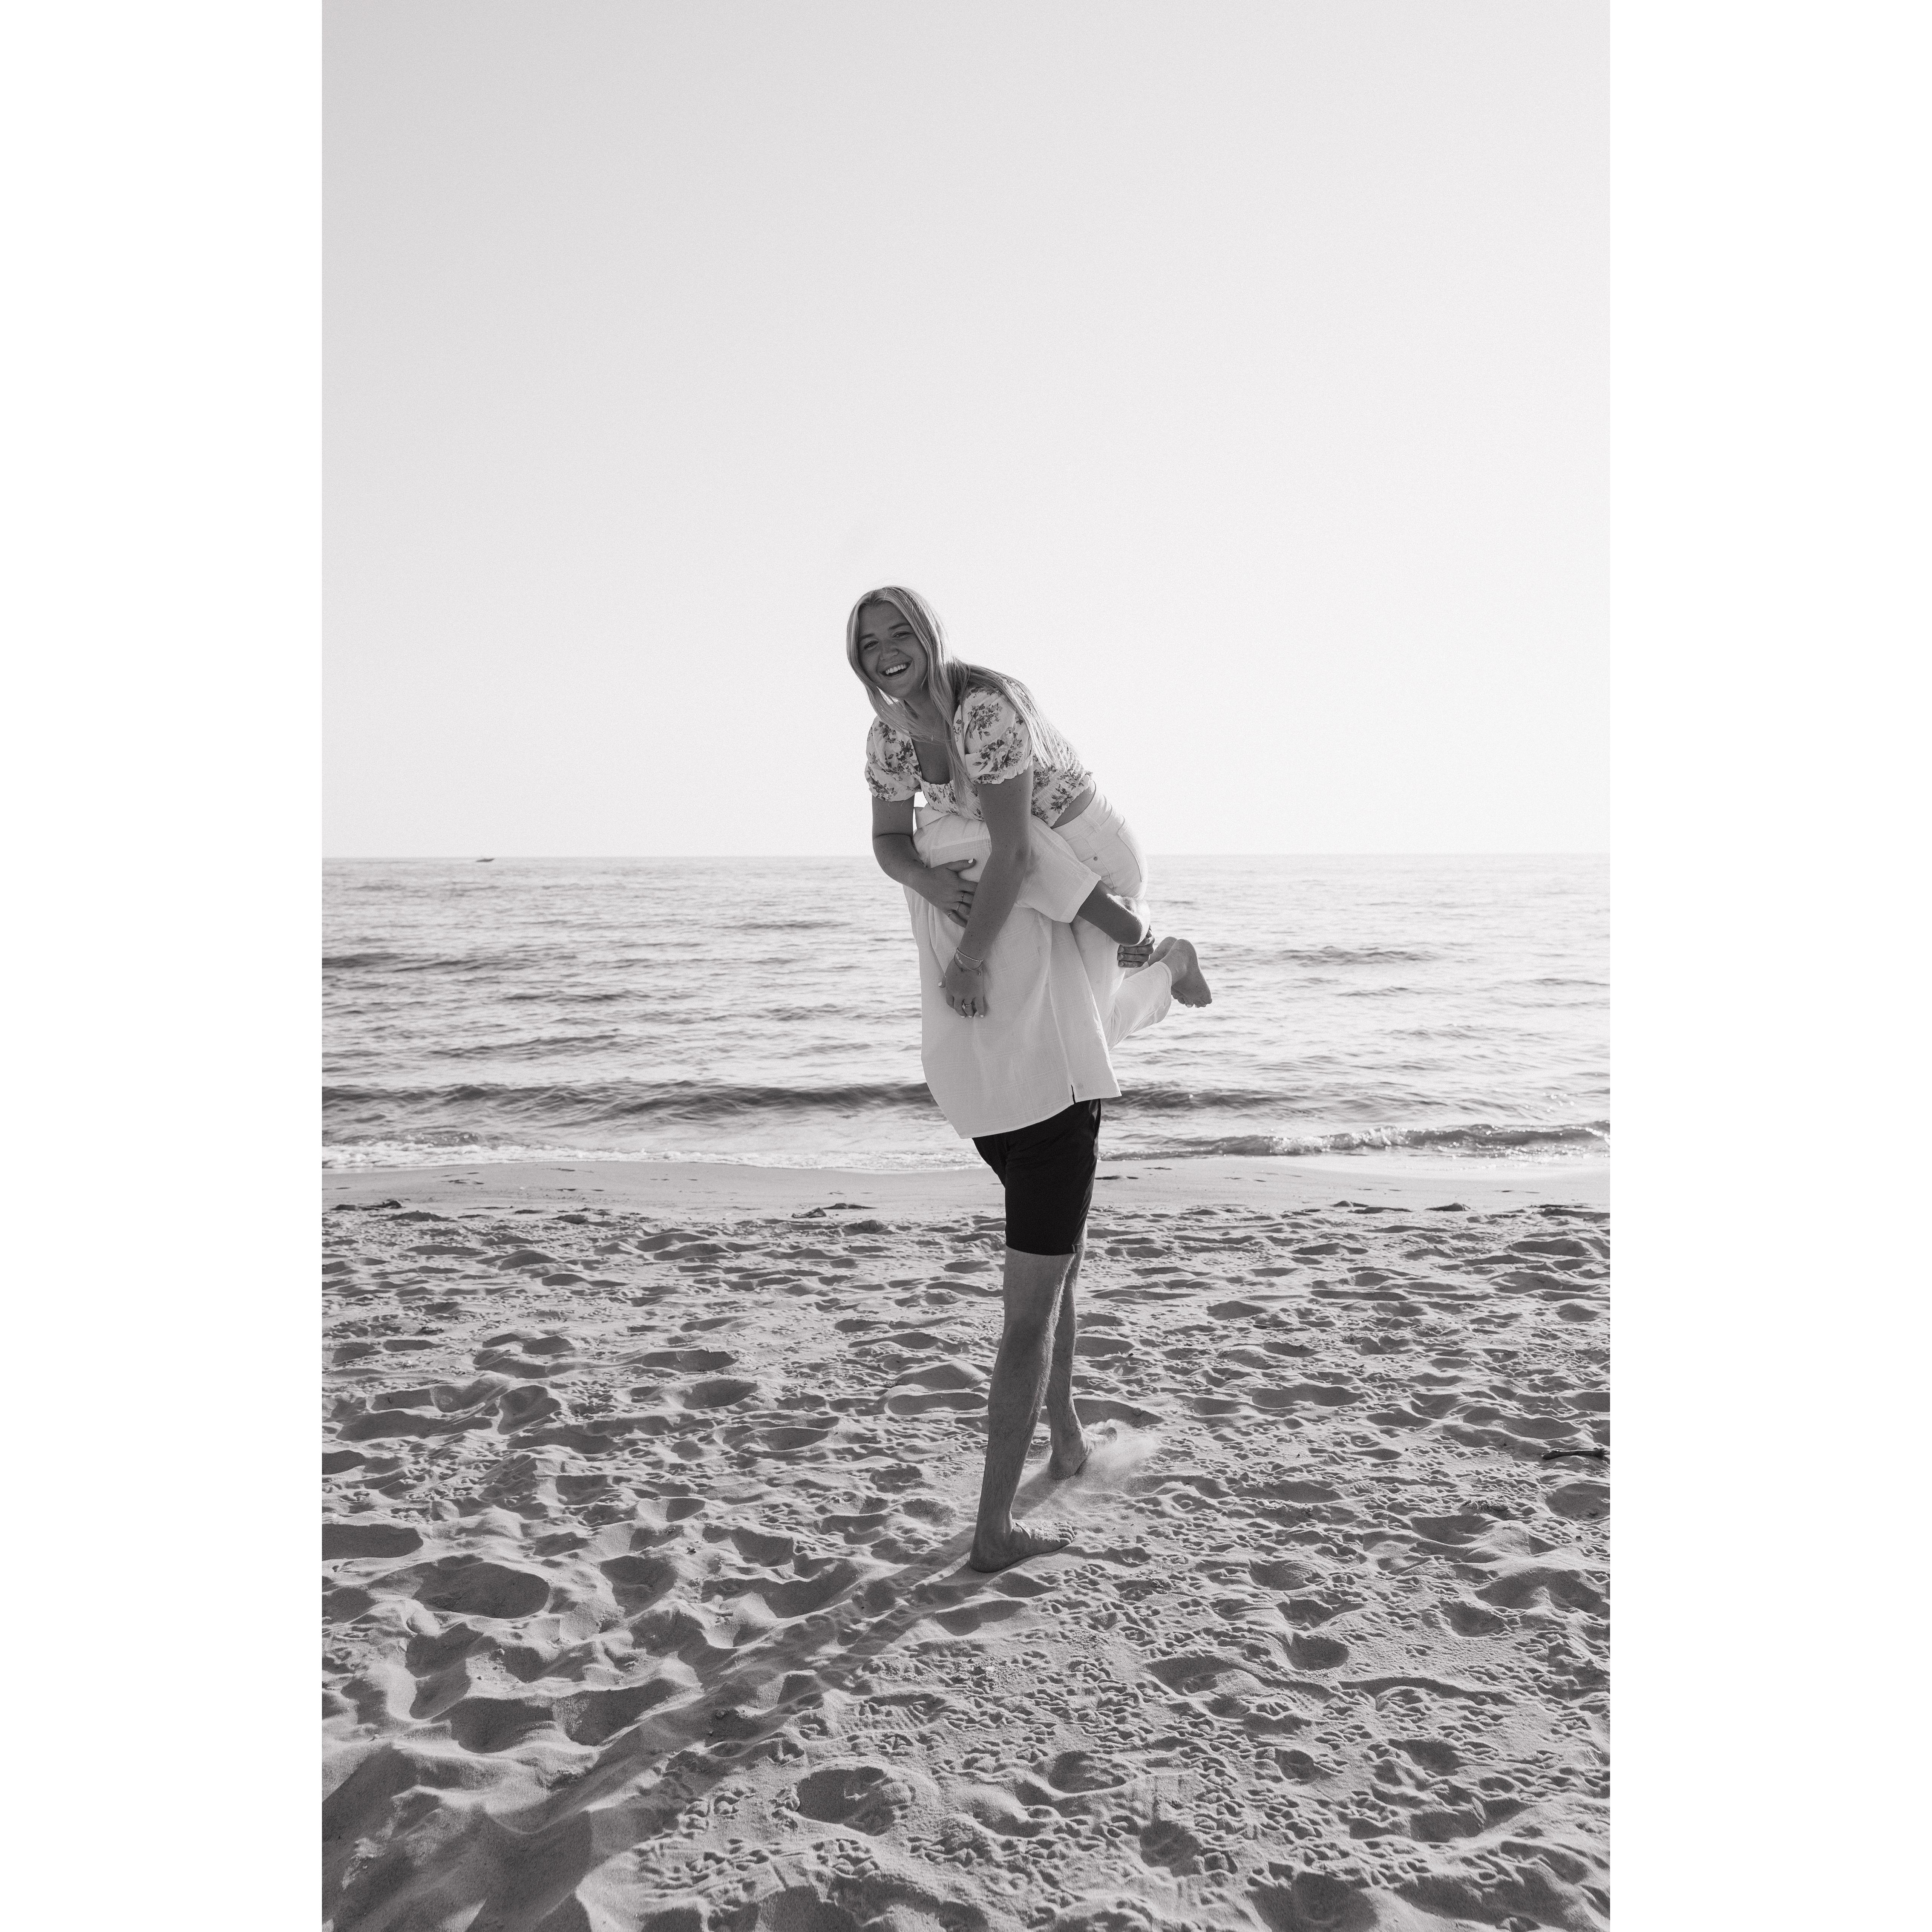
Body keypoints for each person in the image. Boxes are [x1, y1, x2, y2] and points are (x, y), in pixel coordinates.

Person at [846, 585, 1213, 1570]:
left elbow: (1019, 850)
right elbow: (892, 843)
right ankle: (1063, 1445)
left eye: (901, 633)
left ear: (932, 636)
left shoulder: (985, 710)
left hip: (1090, 844)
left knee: (1035, 1292)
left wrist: (970, 954)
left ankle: (1156, 947)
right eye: (870, 642)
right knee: (1055, 1253)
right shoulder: (890, 739)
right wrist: (929, 882)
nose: (887, 652)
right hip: (1022, 881)